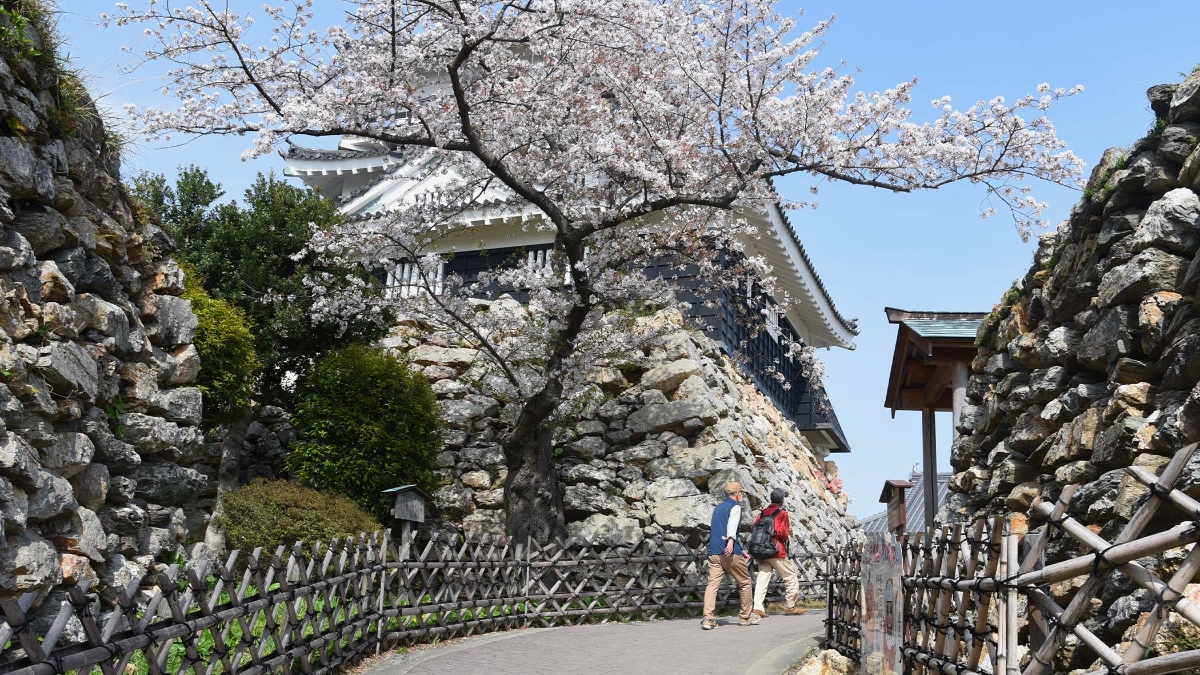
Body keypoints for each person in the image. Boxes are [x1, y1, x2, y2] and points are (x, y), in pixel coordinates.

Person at [701, 481, 757, 630]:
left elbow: (718, 529)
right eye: (741, 493)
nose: (742, 496)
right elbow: (731, 526)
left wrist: (739, 548)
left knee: (712, 585)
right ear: (737, 494)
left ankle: (708, 618)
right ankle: (745, 616)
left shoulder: (717, 508)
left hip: (714, 551)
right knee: (745, 582)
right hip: (729, 552)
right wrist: (731, 541)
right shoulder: (735, 507)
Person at [751, 488, 806, 618]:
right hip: (776, 551)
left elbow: (754, 528)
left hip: (761, 551)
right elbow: (784, 534)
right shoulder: (782, 513)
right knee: (790, 576)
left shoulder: (762, 513)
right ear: (782, 500)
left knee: (762, 579)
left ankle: (757, 608)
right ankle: (790, 606)